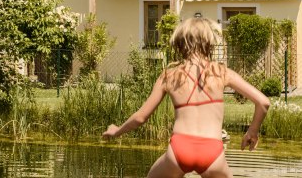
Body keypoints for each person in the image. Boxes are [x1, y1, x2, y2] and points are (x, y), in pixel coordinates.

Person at [102, 17, 270, 178]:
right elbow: (263, 102)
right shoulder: (222, 72)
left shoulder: (169, 75)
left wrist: (117, 131)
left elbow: (140, 117)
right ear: (209, 42)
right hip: (212, 150)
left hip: (179, 150)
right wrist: (252, 131)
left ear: (180, 43)